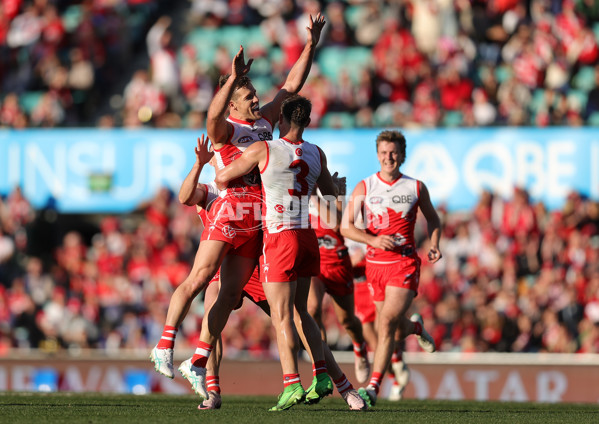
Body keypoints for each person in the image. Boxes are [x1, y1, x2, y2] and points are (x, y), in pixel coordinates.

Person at [150, 13, 326, 391]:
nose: (257, 100)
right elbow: (210, 115)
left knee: (230, 294)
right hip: (230, 208)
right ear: (232, 102)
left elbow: (292, 85)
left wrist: (311, 44)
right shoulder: (225, 130)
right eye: (248, 97)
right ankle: (165, 344)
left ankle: (199, 361)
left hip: (260, 216)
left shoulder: (263, 123)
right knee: (201, 277)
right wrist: (231, 79)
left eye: (254, 95)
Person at [214, 95, 352, 411]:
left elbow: (222, 177)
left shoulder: (264, 148)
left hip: (279, 236)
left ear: (282, 121)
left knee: (281, 316)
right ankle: (321, 374)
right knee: (303, 312)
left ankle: (291, 383)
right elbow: (332, 200)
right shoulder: (318, 153)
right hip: (307, 236)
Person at [340, 130, 442, 407]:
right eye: (384, 153)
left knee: (385, 323)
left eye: (394, 152)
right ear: (377, 155)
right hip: (375, 267)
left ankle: (372, 387)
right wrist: (372, 239)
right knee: (394, 330)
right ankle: (416, 327)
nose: (389, 158)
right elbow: (346, 225)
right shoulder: (365, 186)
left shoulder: (415, 187)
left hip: (404, 264)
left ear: (403, 155)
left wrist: (434, 243)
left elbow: (434, 219)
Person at [308, 190, 371, 384]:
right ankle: (323, 366)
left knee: (347, 321)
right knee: (312, 310)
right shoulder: (293, 192)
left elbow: (336, 225)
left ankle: (360, 347)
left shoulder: (333, 190)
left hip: (337, 264)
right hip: (314, 264)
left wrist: (314, 196)